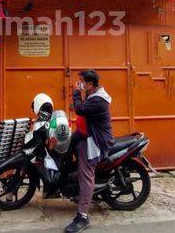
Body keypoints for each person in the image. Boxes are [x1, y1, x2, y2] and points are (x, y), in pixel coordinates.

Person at [65, 69, 113, 233]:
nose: (79, 84)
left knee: (86, 174)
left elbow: (80, 109)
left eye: (82, 81)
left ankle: (82, 217)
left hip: (94, 140)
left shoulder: (98, 100)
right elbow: (80, 109)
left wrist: (77, 93)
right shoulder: (93, 94)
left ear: (90, 84)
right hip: (83, 135)